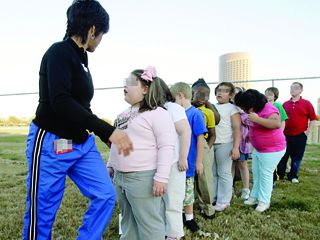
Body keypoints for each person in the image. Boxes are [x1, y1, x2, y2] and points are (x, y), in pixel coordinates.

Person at [23, 1, 133, 239]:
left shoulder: (83, 58)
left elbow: (82, 105)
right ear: (92, 29)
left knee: (105, 195)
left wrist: (103, 134)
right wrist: (108, 130)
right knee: (42, 210)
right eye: (101, 35)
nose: (101, 40)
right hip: (51, 143)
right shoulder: (58, 53)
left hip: (80, 145)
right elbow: (60, 101)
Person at [107, 66, 176, 240]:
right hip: (120, 177)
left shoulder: (158, 113)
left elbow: (166, 146)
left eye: (130, 83)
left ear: (145, 89)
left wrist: (161, 177)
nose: (125, 86)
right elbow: (117, 144)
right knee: (127, 220)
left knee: (149, 223)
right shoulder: (122, 115)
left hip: (143, 178)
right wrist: (111, 165)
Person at [234, 89, 286, 212]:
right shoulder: (255, 111)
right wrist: (250, 136)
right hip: (259, 149)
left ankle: (264, 201)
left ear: (253, 104)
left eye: (246, 108)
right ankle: (254, 197)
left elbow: (276, 124)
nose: (244, 111)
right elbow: (256, 126)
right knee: (257, 172)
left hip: (272, 149)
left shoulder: (269, 109)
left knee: (265, 175)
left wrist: (257, 119)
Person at [170, 82, 206, 233]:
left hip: (189, 161)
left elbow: (200, 139)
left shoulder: (195, 114)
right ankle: (177, 217)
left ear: (180, 96)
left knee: (188, 192)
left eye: (172, 99)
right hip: (173, 160)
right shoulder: (171, 112)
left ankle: (189, 218)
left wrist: (199, 162)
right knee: (175, 192)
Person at [159, 79, 191, 240]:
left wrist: (182, 158)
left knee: (173, 200)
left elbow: (186, 132)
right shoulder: (156, 108)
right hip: (159, 163)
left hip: (173, 162)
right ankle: (163, 231)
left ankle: (174, 234)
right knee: (161, 201)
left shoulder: (173, 108)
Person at [277, 82, 317, 183]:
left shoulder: (306, 103)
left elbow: (313, 119)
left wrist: (307, 132)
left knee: (297, 157)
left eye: (295, 88)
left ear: (300, 90)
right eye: (291, 88)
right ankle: (280, 175)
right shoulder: (285, 104)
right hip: (286, 135)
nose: (292, 90)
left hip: (300, 135)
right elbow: (281, 118)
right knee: (283, 155)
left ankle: (293, 176)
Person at [212, 82, 241, 212]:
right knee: (212, 173)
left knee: (224, 172)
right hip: (212, 144)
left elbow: (236, 129)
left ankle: (224, 200)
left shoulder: (232, 108)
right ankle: (214, 197)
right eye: (218, 90)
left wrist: (235, 147)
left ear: (230, 95)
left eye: (224, 91)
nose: (220, 92)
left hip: (225, 143)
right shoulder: (212, 106)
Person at [191, 79, 216, 219]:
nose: (202, 98)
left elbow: (213, 134)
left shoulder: (208, 112)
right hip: (187, 147)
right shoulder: (184, 110)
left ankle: (208, 208)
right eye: (199, 94)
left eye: (205, 95)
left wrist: (207, 149)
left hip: (203, 146)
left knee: (204, 178)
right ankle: (188, 207)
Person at [265, 87, 288, 183]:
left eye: (270, 94)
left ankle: (274, 178)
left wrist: (281, 133)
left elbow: (283, 120)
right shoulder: (263, 105)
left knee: (273, 158)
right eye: (266, 94)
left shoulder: (278, 105)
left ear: (275, 96)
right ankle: (268, 177)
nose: (268, 96)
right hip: (266, 136)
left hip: (276, 135)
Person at [232, 87, 251, 200]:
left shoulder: (245, 109)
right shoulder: (229, 107)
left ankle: (246, 189)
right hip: (231, 141)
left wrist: (241, 113)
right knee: (231, 166)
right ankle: (230, 188)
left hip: (243, 143)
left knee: (243, 165)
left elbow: (249, 121)